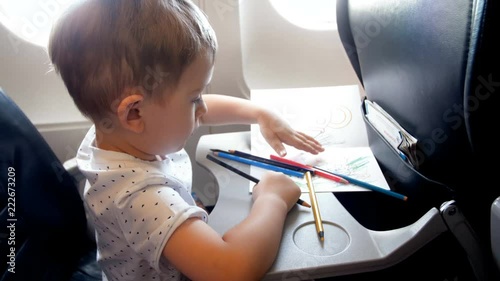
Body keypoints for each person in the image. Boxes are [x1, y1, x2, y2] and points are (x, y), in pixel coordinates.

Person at [48, 0, 324, 280]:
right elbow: (232, 270)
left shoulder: (117, 132)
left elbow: (190, 111)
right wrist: (272, 198)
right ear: (134, 112)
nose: (201, 109)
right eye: (195, 98)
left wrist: (260, 113)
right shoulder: (139, 197)